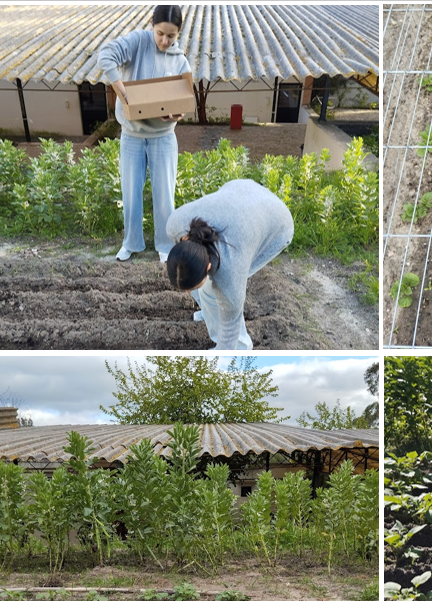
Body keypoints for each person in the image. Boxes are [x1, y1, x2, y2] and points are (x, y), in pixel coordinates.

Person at [97, 5, 191, 263]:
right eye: (160, 33)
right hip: (132, 135)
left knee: (164, 195)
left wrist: (177, 114)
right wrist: (122, 91)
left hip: (163, 137)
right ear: (152, 24)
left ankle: (164, 244)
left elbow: (184, 99)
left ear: (178, 33)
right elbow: (105, 56)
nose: (164, 40)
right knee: (130, 192)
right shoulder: (137, 42)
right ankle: (131, 243)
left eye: (171, 36)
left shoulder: (180, 61)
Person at [166, 179, 295, 350]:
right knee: (204, 288)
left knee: (212, 292)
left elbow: (230, 328)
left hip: (277, 222)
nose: (188, 292)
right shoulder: (175, 225)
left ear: (208, 267)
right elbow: (189, 269)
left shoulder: (229, 271)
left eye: (191, 287)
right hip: (243, 193)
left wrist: (223, 360)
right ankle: (210, 313)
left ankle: (242, 347)